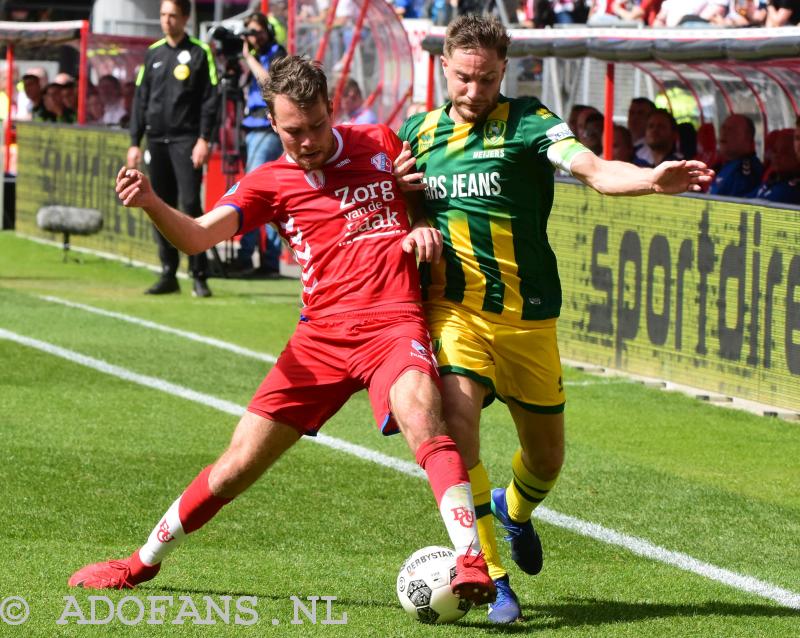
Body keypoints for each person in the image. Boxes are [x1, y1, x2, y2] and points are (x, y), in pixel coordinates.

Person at [68, 55, 496, 605]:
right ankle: (139, 563)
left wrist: (417, 226)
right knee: (236, 467)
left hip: (392, 323)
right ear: (272, 123)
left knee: (420, 409)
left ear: (331, 108)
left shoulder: (380, 142)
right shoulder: (269, 181)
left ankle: (471, 561)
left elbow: (416, 201)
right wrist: (152, 202)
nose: (309, 140)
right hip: (319, 339)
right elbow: (198, 238)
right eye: (294, 131)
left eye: (317, 124)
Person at [396, 15, 713, 624]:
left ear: (503, 73)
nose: (474, 90)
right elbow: (402, 195)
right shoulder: (418, 131)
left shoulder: (531, 122)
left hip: (529, 320)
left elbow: (592, 170)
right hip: (455, 311)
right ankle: (488, 572)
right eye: (463, 77)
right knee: (457, 422)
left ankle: (512, 511)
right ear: (444, 69)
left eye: (487, 79)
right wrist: (413, 219)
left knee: (545, 461)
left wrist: (650, 178)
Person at [128, 0, 219, 297]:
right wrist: (134, 141)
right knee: (158, 206)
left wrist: (204, 138)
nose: (167, 21)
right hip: (156, 140)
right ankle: (168, 272)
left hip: (186, 141)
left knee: (191, 205)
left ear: (185, 18)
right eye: (163, 15)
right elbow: (141, 99)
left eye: (173, 16)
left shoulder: (199, 52)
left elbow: (210, 99)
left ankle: (199, 274)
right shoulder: (153, 53)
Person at [234, 11, 287, 276]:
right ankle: (264, 259)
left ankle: (254, 257)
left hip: (267, 129)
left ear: (268, 31)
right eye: (250, 33)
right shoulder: (249, 52)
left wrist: (249, 59)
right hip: (251, 127)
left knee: (254, 192)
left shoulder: (277, 52)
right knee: (263, 193)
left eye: (257, 32)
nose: (254, 38)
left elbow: (270, 85)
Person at [710, 113, 763, 197]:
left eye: (731, 130)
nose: (724, 133)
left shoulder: (746, 170)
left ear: (747, 137)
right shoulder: (723, 164)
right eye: (723, 128)